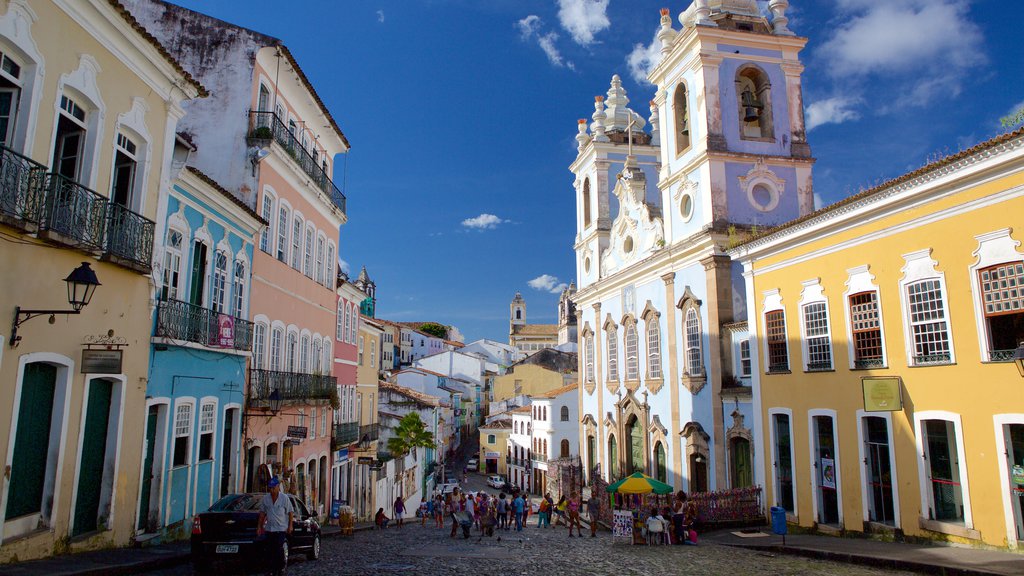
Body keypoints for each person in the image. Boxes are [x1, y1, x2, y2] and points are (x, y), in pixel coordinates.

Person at [257, 477, 293, 576]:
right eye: (270, 488)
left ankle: (280, 567)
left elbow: (290, 512)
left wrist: (290, 526)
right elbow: (262, 514)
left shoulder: (284, 498)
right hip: (269, 528)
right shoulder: (266, 499)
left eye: (273, 488)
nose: (272, 490)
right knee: (270, 549)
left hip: (281, 528)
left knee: (278, 548)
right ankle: (271, 569)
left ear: (278, 487)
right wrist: (259, 527)